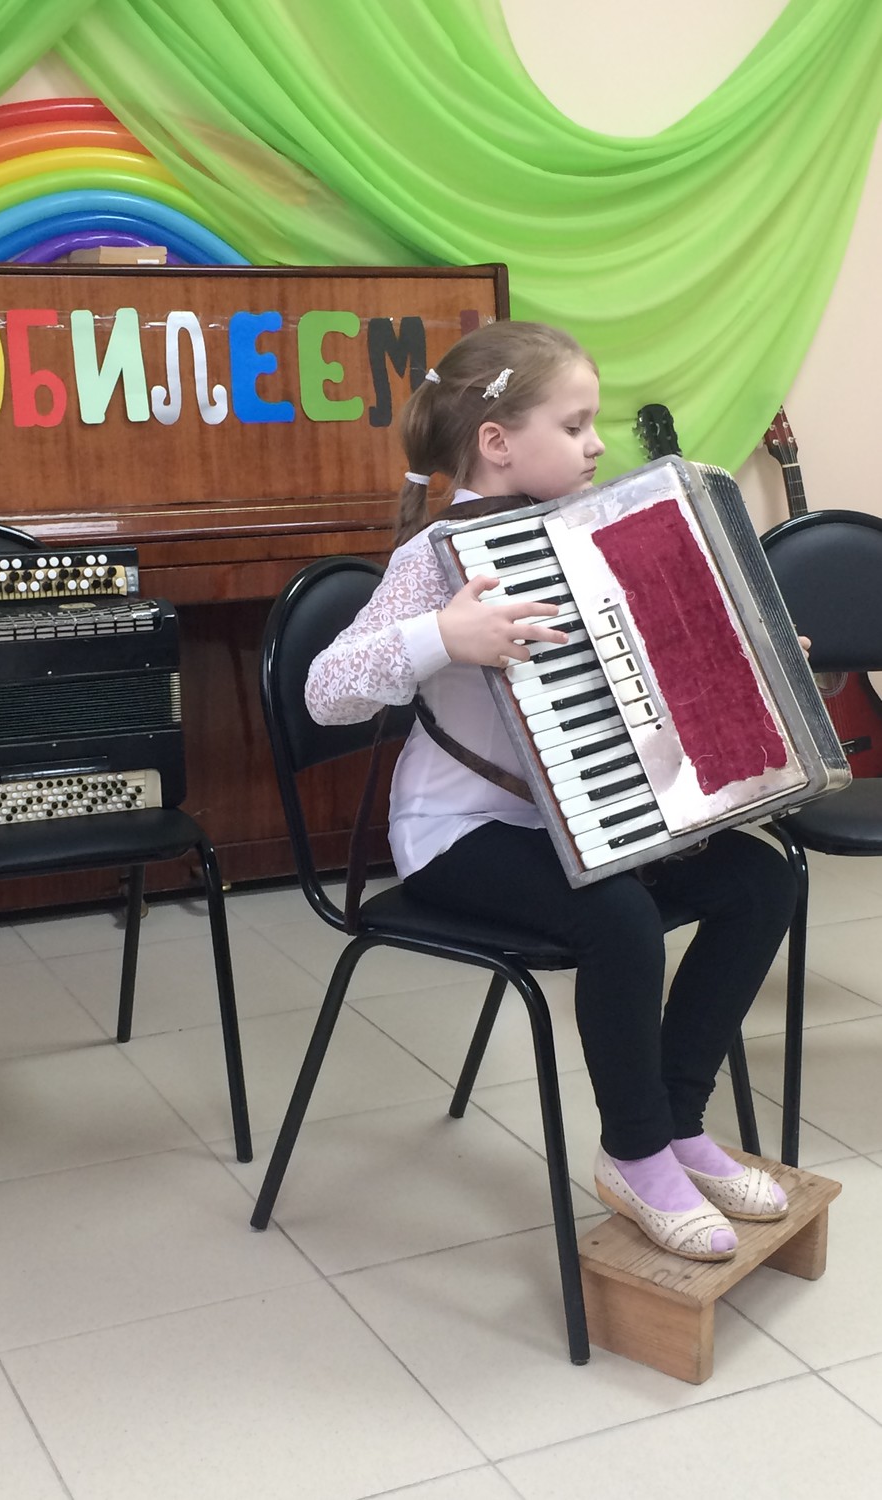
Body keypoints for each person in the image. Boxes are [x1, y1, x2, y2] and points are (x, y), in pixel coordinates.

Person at [305, 320, 798, 1262]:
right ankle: (634, 1153)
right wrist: (441, 638)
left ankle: (678, 1121)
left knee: (760, 880)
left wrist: (746, 657)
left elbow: (642, 674)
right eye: (573, 427)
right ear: (496, 441)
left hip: (586, 819)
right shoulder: (433, 558)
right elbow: (325, 692)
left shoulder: (588, 537)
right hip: (457, 833)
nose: (595, 444)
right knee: (617, 916)